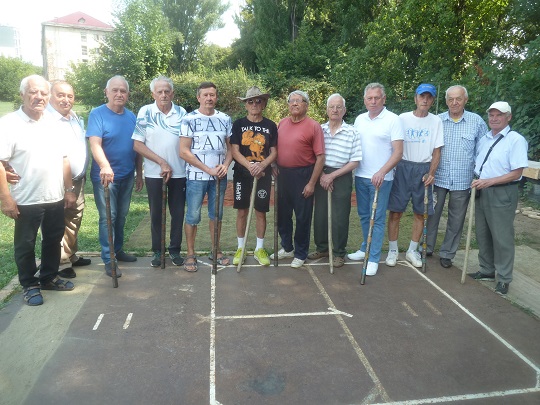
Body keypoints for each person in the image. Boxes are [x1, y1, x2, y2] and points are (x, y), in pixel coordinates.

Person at [0, 75, 76, 306]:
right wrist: (6, 199)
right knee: (26, 244)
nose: (39, 97)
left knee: (53, 239)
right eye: (34, 92)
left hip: (55, 195)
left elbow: (64, 159)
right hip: (25, 197)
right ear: (23, 94)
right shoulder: (9, 123)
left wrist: (69, 190)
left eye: (44, 93)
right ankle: (29, 285)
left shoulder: (53, 123)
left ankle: (49, 277)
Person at [426, 85, 488, 268]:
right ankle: (427, 247)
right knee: (432, 213)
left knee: (456, 218)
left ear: (465, 100)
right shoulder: (437, 121)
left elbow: (484, 150)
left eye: (458, 99)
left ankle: (447, 253)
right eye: (450, 99)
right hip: (437, 177)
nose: (454, 102)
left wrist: (480, 174)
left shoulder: (476, 121)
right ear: (446, 101)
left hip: (463, 180)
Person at [87, 75, 143, 277]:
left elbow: (137, 147)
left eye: (123, 91)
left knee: (121, 216)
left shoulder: (131, 116)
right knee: (108, 217)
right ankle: (109, 259)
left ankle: (117, 250)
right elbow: (94, 143)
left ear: (127, 94)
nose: (119, 94)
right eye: (115, 90)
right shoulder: (97, 114)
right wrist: (104, 166)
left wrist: (139, 173)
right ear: (107, 92)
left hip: (127, 175)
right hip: (106, 178)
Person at [470, 101, 528, 295]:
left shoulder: (516, 140)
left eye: (499, 115)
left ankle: (504, 278)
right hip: (482, 189)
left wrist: (490, 182)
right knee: (483, 232)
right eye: (491, 115)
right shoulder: (485, 138)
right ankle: (487, 269)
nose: (494, 119)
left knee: (502, 236)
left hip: (502, 191)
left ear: (508, 117)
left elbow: (517, 173)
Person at [348, 83, 403, 276]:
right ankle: (365, 247)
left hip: (382, 178)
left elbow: (398, 153)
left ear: (384, 99)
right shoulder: (359, 119)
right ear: (364, 100)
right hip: (361, 176)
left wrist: (382, 172)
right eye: (369, 98)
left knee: (377, 219)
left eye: (376, 98)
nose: (373, 101)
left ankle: (373, 259)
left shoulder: (393, 120)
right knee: (364, 215)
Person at [386, 83, 444, 268]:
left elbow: (437, 150)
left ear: (433, 100)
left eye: (429, 97)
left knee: (421, 212)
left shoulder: (436, 121)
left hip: (423, 169)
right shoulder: (401, 118)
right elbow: (393, 144)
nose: (425, 100)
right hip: (403, 167)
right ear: (415, 98)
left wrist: (431, 173)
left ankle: (412, 250)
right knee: (396, 212)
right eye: (422, 96)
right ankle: (393, 250)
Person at [133, 76, 187, 268]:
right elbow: (137, 144)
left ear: (172, 93)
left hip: (179, 173)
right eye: (159, 91)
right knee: (156, 213)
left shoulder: (182, 113)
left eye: (167, 91)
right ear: (153, 94)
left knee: (178, 213)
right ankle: (158, 250)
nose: (163, 95)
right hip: (155, 174)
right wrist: (161, 162)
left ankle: (174, 249)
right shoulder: (145, 112)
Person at [179, 82, 233, 272]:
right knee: (193, 215)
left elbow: (231, 148)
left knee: (216, 215)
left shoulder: (225, 119)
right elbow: (183, 151)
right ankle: (191, 254)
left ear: (216, 97)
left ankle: (215, 251)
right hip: (196, 176)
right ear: (198, 97)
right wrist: (207, 169)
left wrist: (225, 166)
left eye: (212, 95)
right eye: (205, 95)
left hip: (219, 177)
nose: (209, 98)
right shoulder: (189, 119)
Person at [270, 90, 325, 268]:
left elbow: (320, 158)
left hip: (304, 175)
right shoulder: (282, 123)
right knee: (283, 215)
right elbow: (276, 149)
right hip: (283, 175)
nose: (294, 104)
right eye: (291, 101)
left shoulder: (313, 126)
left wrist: (311, 183)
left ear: (306, 105)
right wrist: (274, 164)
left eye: (299, 101)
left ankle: (301, 253)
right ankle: (287, 248)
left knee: (302, 217)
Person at [308, 94, 362, 268]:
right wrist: (323, 174)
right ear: (327, 110)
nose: (335, 110)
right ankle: (322, 248)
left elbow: (355, 161)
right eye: (332, 107)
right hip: (321, 173)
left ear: (344, 110)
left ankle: (339, 252)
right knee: (321, 214)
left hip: (341, 175)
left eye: (339, 107)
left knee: (340, 216)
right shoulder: (319, 129)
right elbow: (312, 155)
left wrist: (332, 176)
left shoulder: (352, 132)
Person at [47, 81, 91, 279]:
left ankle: (70, 254)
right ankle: (61, 261)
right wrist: (68, 188)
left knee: (74, 218)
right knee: (58, 221)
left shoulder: (74, 118)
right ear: (50, 96)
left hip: (77, 179)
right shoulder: (46, 121)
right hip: (58, 181)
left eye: (70, 96)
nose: (66, 100)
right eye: (60, 95)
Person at [230, 86, 277, 266]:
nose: (255, 104)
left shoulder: (271, 125)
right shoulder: (238, 124)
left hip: (262, 174)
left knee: (260, 211)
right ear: (245, 105)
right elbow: (234, 151)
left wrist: (262, 165)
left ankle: (259, 248)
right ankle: (241, 248)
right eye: (251, 101)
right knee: (242, 211)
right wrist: (250, 166)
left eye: (259, 101)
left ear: (264, 103)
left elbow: (274, 152)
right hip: (242, 174)